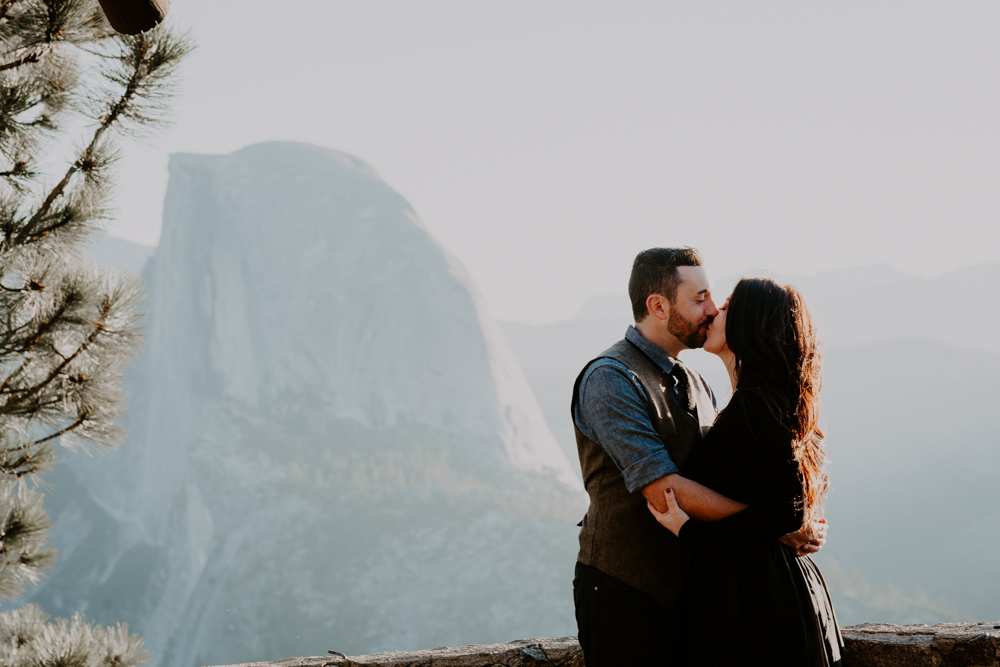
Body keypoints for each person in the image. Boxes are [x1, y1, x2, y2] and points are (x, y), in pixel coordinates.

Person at [571, 248, 826, 666]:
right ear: (658, 306)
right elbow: (662, 487)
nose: (711, 310)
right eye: (701, 298)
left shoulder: (693, 380)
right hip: (628, 589)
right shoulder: (610, 378)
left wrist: (774, 518)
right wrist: (775, 525)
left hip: (698, 590)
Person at [648, 277, 844, 666]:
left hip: (758, 597)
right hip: (762, 588)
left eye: (725, 306)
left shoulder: (754, 407)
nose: (713, 313)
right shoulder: (760, 403)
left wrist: (690, 531)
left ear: (748, 323)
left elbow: (783, 512)